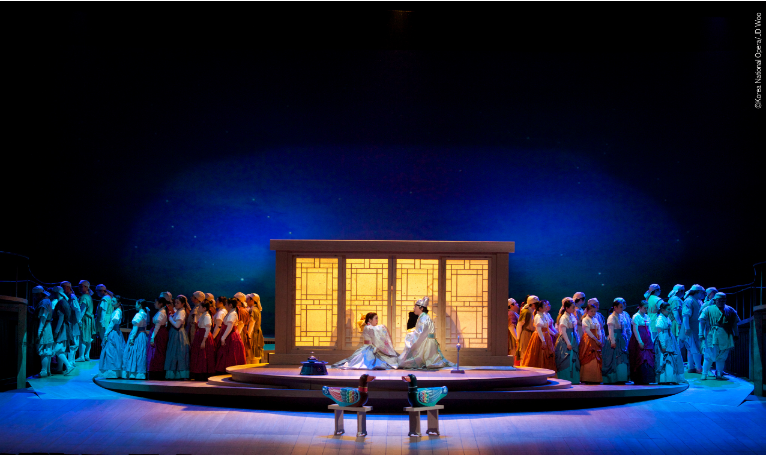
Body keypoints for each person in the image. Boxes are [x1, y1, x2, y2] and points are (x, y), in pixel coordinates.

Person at [398, 297, 454, 369]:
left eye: (415, 306)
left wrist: (411, 336)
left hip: (426, 344)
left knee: (403, 362)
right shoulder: (424, 317)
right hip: (426, 341)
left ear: (421, 308)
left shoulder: (424, 318)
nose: (414, 308)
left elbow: (420, 334)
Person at [332, 312, 400, 369]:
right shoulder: (367, 327)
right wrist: (383, 326)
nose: (377, 320)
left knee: (391, 357)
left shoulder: (371, 327)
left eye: (377, 318)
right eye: (376, 318)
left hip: (373, 347)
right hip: (368, 348)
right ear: (370, 320)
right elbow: (376, 329)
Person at [699, 292, 740, 380]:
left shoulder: (730, 310)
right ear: (715, 300)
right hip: (712, 335)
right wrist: (701, 333)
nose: (721, 302)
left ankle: (719, 374)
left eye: (723, 300)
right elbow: (701, 321)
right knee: (708, 356)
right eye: (719, 300)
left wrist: (736, 334)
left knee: (722, 357)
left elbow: (734, 323)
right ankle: (704, 373)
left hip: (726, 335)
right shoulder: (708, 309)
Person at [520, 299, 556, 374]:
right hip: (540, 337)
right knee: (539, 354)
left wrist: (554, 333)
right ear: (540, 308)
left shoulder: (544, 315)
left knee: (547, 355)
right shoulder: (538, 316)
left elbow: (547, 328)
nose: (546, 307)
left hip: (546, 336)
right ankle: (537, 372)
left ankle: (547, 371)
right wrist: (543, 341)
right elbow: (539, 329)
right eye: (544, 306)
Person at [654, 301, 686, 384]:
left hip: (669, 338)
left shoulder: (666, 317)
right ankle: (664, 379)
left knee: (672, 358)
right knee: (664, 358)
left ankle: (670, 378)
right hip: (664, 339)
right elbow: (660, 333)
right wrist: (663, 345)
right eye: (668, 309)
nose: (670, 311)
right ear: (662, 310)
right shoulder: (660, 319)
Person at [602, 298, 632, 384]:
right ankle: (613, 378)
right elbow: (611, 331)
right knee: (614, 358)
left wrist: (626, 338)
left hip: (622, 338)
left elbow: (625, 329)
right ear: (615, 307)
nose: (622, 309)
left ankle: (622, 378)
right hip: (615, 338)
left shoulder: (621, 316)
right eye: (620, 307)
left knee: (623, 358)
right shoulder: (611, 317)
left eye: (622, 307)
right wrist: (613, 342)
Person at [50, 286, 77, 375]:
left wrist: (56, 331)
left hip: (62, 328)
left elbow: (61, 318)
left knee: (57, 349)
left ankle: (68, 365)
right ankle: (59, 368)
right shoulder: (65, 302)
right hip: (65, 328)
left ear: (56, 293)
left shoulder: (61, 303)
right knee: (62, 350)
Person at [215, 298, 247, 373]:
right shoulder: (230, 313)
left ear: (230, 305)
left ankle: (230, 371)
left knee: (230, 354)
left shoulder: (232, 314)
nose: (225, 305)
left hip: (231, 337)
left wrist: (223, 338)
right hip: (228, 335)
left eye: (226, 304)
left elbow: (230, 327)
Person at [629, 300, 655, 384]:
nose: (646, 310)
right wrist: (639, 341)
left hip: (647, 340)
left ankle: (648, 378)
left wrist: (652, 339)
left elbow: (649, 329)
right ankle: (639, 379)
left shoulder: (647, 317)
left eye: (647, 308)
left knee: (649, 358)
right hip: (639, 339)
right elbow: (635, 330)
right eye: (644, 308)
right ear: (640, 307)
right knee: (640, 358)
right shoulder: (636, 316)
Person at [165, 295, 191, 379]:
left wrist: (170, 318)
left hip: (178, 335)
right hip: (175, 334)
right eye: (175, 302)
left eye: (178, 303)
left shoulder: (182, 312)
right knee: (174, 353)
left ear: (183, 304)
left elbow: (177, 325)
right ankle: (174, 374)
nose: (175, 304)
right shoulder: (178, 311)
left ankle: (180, 374)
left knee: (179, 353)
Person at [97, 293, 124, 378]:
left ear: (118, 303)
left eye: (114, 301)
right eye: (112, 301)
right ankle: (114, 372)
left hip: (113, 333)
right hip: (116, 332)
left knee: (111, 352)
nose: (112, 302)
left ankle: (112, 372)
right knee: (115, 351)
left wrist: (106, 333)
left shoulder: (117, 312)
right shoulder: (117, 311)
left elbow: (112, 324)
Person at [680, 284, 705, 373]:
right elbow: (686, 315)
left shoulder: (698, 301)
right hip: (691, 327)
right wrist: (687, 328)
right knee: (695, 347)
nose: (702, 294)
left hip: (697, 327)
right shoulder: (689, 301)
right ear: (697, 292)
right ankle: (698, 367)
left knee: (691, 348)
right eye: (701, 293)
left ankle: (691, 367)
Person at [555, 297, 580, 384]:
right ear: (567, 308)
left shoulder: (572, 316)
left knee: (574, 358)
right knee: (566, 359)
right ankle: (565, 378)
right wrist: (568, 343)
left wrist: (577, 339)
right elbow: (563, 332)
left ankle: (574, 379)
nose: (574, 309)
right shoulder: (564, 317)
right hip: (566, 340)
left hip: (573, 338)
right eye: (572, 307)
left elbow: (575, 329)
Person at [123, 300, 150, 379]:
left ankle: (134, 373)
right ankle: (141, 373)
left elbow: (135, 328)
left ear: (140, 305)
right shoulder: (145, 314)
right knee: (141, 353)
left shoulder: (138, 315)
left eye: (136, 304)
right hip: (143, 335)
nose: (135, 306)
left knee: (135, 353)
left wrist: (132, 338)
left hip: (138, 335)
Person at [147, 295, 171, 380]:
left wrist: (152, 338)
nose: (154, 304)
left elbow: (157, 326)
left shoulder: (161, 313)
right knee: (157, 353)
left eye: (156, 302)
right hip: (159, 333)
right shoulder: (161, 311)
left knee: (157, 353)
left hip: (158, 335)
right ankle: (155, 371)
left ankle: (156, 372)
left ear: (160, 304)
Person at [32, 286, 54, 377]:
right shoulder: (47, 301)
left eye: (35, 295)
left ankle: (44, 371)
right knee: (47, 350)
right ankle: (47, 371)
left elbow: (43, 318)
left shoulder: (43, 303)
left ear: (39, 294)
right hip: (47, 327)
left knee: (44, 350)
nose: (34, 297)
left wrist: (39, 332)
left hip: (44, 328)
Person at [190, 300, 216, 380]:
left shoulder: (207, 316)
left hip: (204, 336)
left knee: (203, 355)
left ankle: (203, 374)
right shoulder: (203, 315)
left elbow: (208, 329)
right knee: (199, 355)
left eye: (200, 307)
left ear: (204, 308)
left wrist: (204, 341)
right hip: (200, 336)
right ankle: (198, 373)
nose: (198, 308)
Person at [579, 303, 603, 384]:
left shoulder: (595, 319)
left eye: (594, 311)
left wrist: (600, 338)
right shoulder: (585, 319)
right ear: (587, 311)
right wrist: (595, 339)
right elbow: (587, 331)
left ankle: (596, 378)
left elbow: (599, 329)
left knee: (596, 357)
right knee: (589, 355)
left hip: (596, 339)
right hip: (589, 339)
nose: (593, 313)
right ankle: (587, 377)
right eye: (591, 311)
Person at [60, 281, 82, 365]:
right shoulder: (68, 297)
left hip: (73, 322)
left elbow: (77, 310)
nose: (62, 288)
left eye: (63, 287)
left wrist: (79, 321)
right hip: (71, 322)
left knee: (72, 342)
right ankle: (71, 361)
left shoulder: (72, 297)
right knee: (72, 342)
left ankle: (70, 362)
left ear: (68, 287)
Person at [76, 280, 96, 362]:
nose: (79, 288)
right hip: (89, 319)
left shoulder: (84, 297)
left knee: (83, 338)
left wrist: (78, 320)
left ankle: (81, 356)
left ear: (86, 287)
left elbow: (82, 310)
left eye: (81, 286)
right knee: (88, 338)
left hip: (85, 319)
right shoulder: (89, 296)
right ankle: (87, 355)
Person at [515, 296, 538, 363]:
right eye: (536, 304)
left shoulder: (533, 311)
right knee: (524, 352)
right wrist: (518, 337)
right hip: (526, 334)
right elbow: (519, 325)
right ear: (532, 304)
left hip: (531, 334)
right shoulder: (526, 312)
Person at [233, 292, 252, 363]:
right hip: (241, 332)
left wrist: (236, 335)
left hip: (240, 333)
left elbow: (241, 325)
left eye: (235, 299)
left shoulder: (241, 311)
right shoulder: (241, 309)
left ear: (239, 301)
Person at [246, 293, 265, 363]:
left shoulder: (253, 310)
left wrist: (248, 335)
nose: (246, 301)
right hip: (256, 334)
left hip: (253, 335)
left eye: (248, 299)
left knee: (251, 356)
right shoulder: (257, 309)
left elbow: (252, 323)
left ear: (252, 300)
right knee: (254, 356)